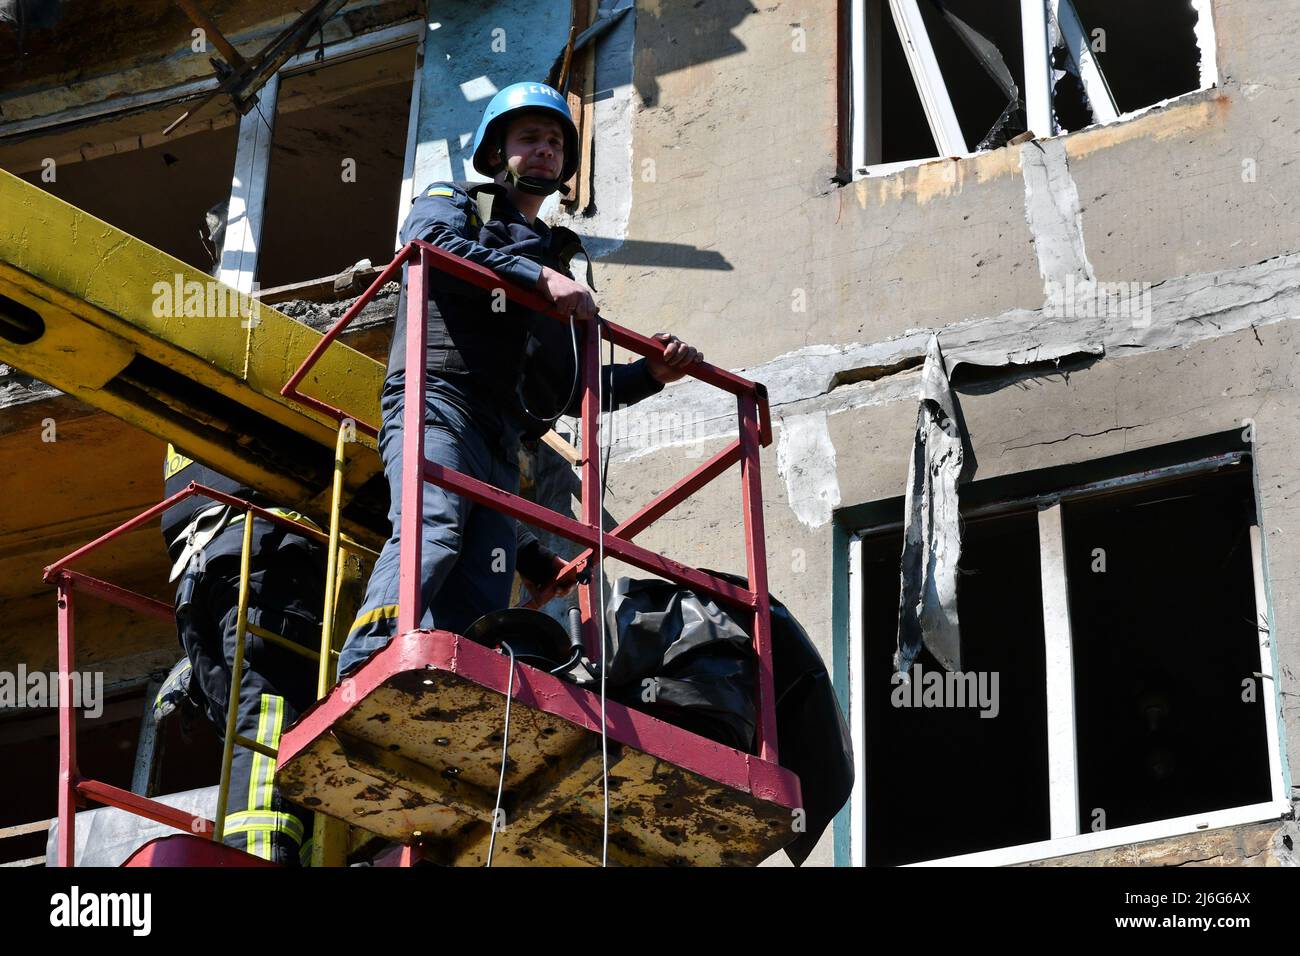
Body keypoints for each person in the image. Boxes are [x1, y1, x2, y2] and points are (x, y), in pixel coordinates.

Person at [338, 81, 701, 675]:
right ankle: (364, 664)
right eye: (528, 138)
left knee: (486, 575)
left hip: (502, 441)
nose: (545, 150)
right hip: (439, 402)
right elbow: (423, 240)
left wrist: (651, 374)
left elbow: (571, 391)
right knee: (433, 532)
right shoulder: (459, 201)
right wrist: (535, 279)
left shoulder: (558, 260)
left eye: (555, 142)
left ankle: (446, 683)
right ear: (493, 152)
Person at [160, 444, 325, 865]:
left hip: (199, 580)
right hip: (266, 559)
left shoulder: (181, 420)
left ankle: (301, 851)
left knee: (247, 726)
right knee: (268, 716)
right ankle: (259, 853)